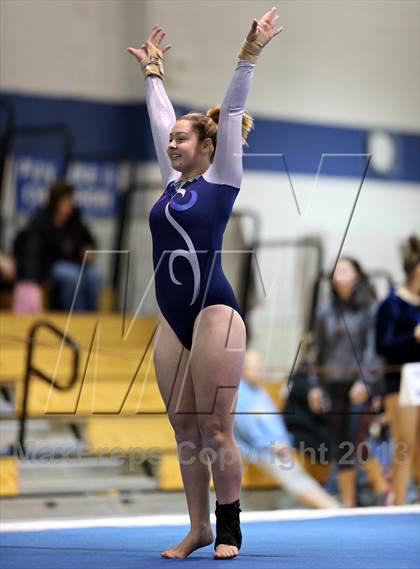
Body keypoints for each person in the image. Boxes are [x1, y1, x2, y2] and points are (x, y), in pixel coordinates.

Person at [128, 7, 283, 560]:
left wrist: (250, 53)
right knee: (183, 428)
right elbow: (158, 117)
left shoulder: (222, 179)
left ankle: (230, 527)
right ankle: (196, 529)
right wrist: (153, 73)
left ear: (206, 146)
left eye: (180, 140)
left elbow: (235, 104)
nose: (170, 144)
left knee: (217, 428)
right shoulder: (171, 184)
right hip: (172, 317)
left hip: (215, 311)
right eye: (169, 140)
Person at [308, 257, 386, 507]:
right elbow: (317, 350)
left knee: (357, 440)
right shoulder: (324, 309)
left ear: (357, 275)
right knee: (340, 444)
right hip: (334, 383)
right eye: (335, 270)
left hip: (360, 385)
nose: (338, 273)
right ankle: (349, 504)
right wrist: (315, 386)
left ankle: (385, 490)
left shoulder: (369, 308)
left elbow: (372, 349)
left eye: (344, 269)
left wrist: (365, 381)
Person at [234, 351, 339, 509]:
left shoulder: (259, 392)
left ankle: (331, 505)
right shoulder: (239, 393)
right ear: (242, 368)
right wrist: (272, 444)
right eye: (254, 366)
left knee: (299, 473)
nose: (259, 370)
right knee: (294, 477)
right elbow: (246, 428)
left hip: (278, 446)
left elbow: (276, 423)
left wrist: (285, 441)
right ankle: (330, 507)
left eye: (260, 366)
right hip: (261, 450)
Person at [376, 235, 420, 505]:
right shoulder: (391, 304)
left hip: (418, 375)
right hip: (401, 377)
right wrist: (413, 337)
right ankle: (399, 502)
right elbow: (383, 345)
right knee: (404, 442)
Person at [13, 179, 101, 313]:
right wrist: (31, 279)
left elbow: (89, 240)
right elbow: (33, 253)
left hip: (77, 264)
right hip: (50, 268)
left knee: (95, 276)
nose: (70, 205)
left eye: (71, 201)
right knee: (71, 276)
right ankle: (75, 316)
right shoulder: (41, 222)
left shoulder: (75, 220)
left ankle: (92, 316)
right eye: (66, 201)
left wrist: (89, 249)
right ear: (56, 202)